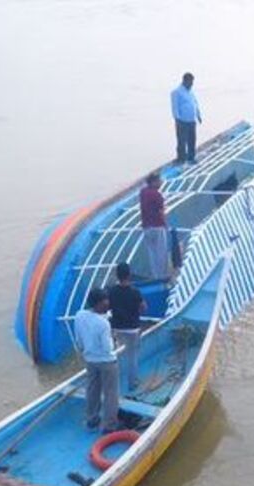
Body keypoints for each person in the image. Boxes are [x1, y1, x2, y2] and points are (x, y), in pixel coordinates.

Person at [73, 289, 120, 432]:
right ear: (98, 304)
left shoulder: (79, 316)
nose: (108, 303)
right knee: (110, 393)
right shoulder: (103, 323)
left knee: (92, 390)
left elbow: (79, 340)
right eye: (105, 301)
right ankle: (109, 425)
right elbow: (107, 348)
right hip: (107, 362)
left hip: (90, 360)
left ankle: (92, 418)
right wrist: (114, 340)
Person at [108, 262, 146, 391]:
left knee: (118, 355)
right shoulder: (135, 292)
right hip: (132, 329)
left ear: (116, 275)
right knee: (132, 357)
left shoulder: (111, 291)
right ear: (129, 275)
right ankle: (132, 384)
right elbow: (143, 307)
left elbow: (108, 306)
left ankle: (116, 384)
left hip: (117, 328)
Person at [139, 172, 169, 280]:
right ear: (154, 182)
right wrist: (166, 225)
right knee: (161, 253)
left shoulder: (143, 192)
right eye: (159, 180)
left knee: (152, 254)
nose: (161, 182)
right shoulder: (157, 195)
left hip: (146, 227)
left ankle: (155, 277)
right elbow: (161, 212)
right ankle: (163, 277)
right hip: (157, 227)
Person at [171, 72, 202, 164]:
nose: (192, 84)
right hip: (182, 121)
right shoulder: (176, 92)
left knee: (192, 140)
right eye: (190, 82)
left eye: (192, 82)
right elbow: (175, 107)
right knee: (182, 141)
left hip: (191, 120)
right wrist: (177, 119)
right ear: (185, 81)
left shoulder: (191, 92)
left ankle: (191, 157)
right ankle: (181, 158)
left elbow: (195, 104)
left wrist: (198, 115)